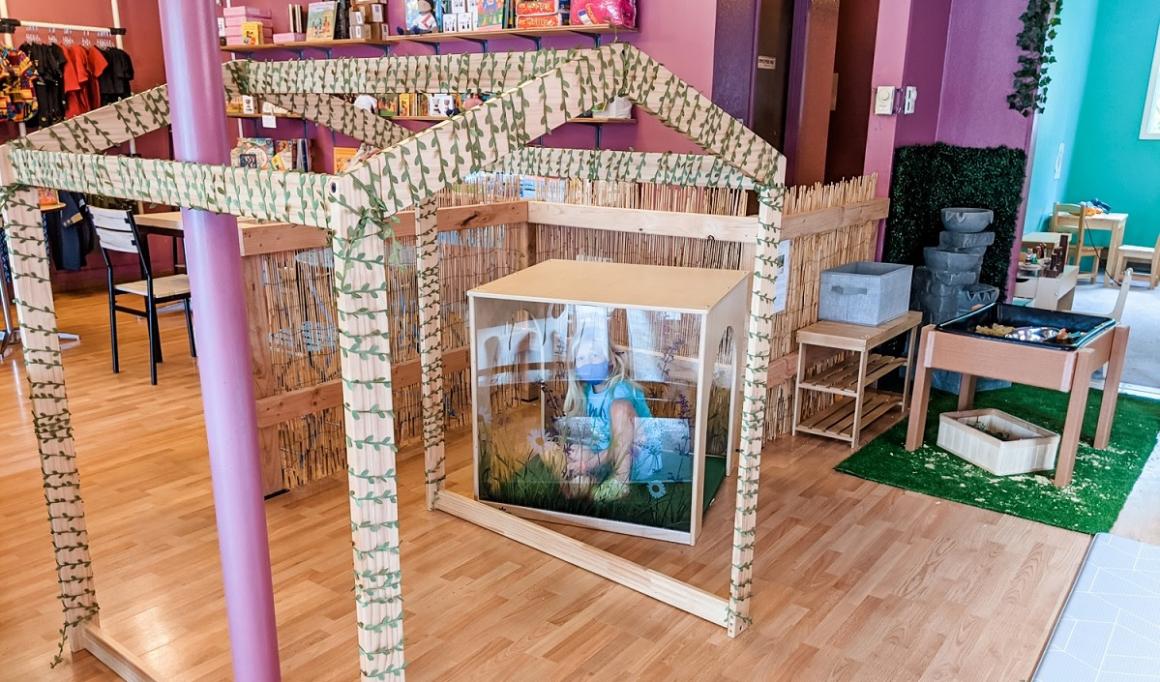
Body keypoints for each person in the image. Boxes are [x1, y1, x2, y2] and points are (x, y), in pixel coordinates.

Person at [559, 329, 651, 502]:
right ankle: (586, 481)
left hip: (637, 457)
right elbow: (597, 436)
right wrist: (580, 452)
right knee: (567, 451)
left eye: (595, 355)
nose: (588, 363)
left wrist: (591, 462)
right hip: (609, 455)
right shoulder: (586, 392)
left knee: (620, 408)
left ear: (610, 359)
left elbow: (623, 442)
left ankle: (621, 482)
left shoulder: (620, 389)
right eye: (581, 358)